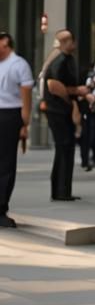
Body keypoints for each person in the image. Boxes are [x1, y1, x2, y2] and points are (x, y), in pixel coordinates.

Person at [42, 30, 86, 202]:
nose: (72, 44)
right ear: (67, 43)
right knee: (64, 146)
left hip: (61, 109)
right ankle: (60, 190)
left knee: (66, 148)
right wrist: (75, 93)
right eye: (70, 40)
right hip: (58, 110)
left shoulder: (64, 60)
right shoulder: (59, 61)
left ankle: (63, 190)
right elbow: (53, 86)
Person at [0, 31, 34, 228]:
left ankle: (1, 208)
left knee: (5, 163)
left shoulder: (19, 65)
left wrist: (24, 123)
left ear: (5, 42)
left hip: (10, 115)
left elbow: (26, 96)